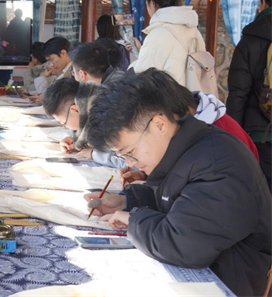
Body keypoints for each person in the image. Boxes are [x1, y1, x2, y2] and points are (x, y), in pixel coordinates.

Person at [83, 72, 271, 297]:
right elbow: (174, 198)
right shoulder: (183, 147)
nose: (130, 163)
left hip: (228, 283)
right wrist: (127, 201)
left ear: (159, 124)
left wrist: (134, 220)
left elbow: (183, 244)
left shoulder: (218, 163)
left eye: (130, 152)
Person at [118, 69, 260, 184]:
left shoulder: (218, 140)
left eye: (131, 151)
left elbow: (203, 195)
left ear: (163, 119)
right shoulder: (187, 122)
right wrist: (148, 176)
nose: (130, 162)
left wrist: (152, 188)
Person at [227, 0, 272, 189]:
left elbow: (238, 93)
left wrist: (233, 136)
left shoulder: (249, 40)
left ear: (263, 3)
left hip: (259, 134)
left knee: (261, 193)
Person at [126, 0, 207, 88]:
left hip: (170, 97)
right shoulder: (193, 30)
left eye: (147, 4)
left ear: (152, 3)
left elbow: (142, 75)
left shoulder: (158, 34)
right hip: (193, 96)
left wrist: (131, 68)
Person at [43, 79, 125, 169]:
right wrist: (78, 141)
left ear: (75, 109)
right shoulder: (93, 101)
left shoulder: (107, 117)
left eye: (64, 123)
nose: (66, 127)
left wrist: (94, 154)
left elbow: (128, 162)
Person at [30, 37, 74, 105]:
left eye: (52, 60)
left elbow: (64, 100)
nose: (51, 64)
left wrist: (45, 100)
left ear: (63, 53)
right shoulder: (64, 71)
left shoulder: (75, 71)